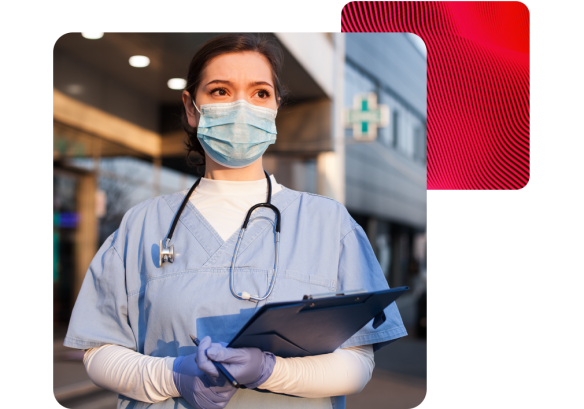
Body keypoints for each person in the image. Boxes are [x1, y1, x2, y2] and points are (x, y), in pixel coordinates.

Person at [64, 33, 407, 409]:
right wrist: (173, 375)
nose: (242, 107)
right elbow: (98, 351)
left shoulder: (329, 224)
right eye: (220, 91)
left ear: (275, 107)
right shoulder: (142, 224)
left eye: (259, 93)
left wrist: (270, 371)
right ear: (192, 108)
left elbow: (358, 361)